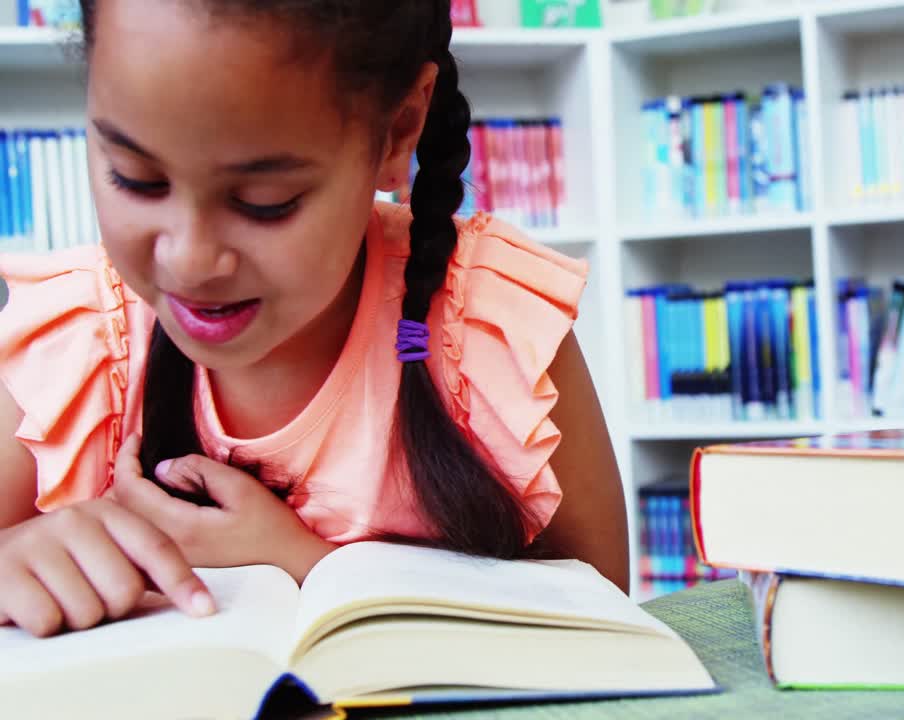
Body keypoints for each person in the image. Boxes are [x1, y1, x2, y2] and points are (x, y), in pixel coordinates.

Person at [0, 0, 628, 638]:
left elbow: (606, 621)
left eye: (264, 202)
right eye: (135, 179)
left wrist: (306, 565)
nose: (189, 261)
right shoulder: (77, 341)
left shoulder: (487, 325)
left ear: (399, 130)